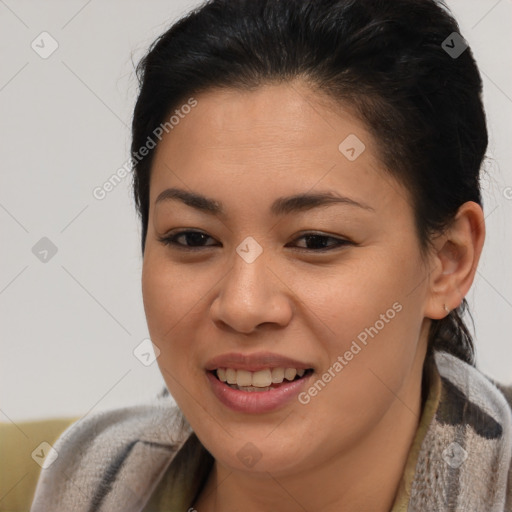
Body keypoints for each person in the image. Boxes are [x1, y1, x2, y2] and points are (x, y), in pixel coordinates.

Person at [30, 0, 512, 511]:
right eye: (193, 238)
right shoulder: (82, 480)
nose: (243, 306)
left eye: (316, 241)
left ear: (448, 262)